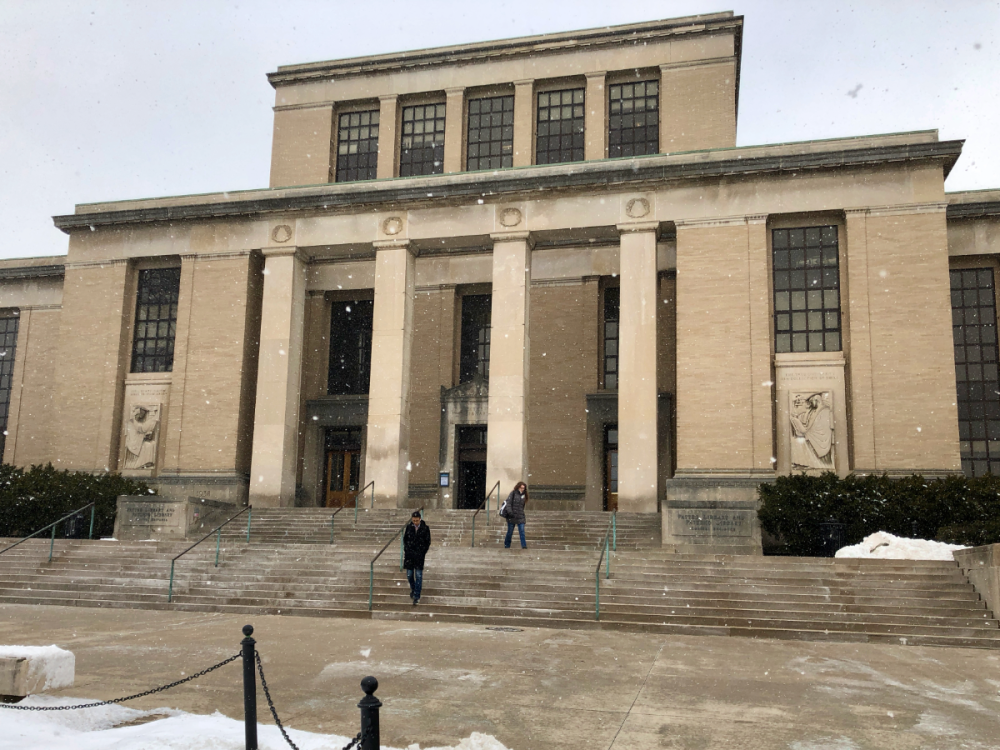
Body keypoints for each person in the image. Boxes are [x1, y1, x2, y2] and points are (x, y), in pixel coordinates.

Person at [402, 510, 431, 605]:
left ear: (420, 519)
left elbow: (427, 542)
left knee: (418, 575)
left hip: (419, 555)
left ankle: (417, 595)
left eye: (416, 520)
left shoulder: (425, 528)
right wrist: (407, 549)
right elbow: (405, 539)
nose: (415, 522)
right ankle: (414, 589)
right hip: (410, 555)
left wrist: (422, 552)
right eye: (413, 520)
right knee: (409, 575)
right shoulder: (409, 528)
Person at [502, 482, 528, 549]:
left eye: (523, 488)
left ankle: (524, 545)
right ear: (518, 487)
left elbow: (522, 506)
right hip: (512, 516)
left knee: (522, 531)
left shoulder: (524, 495)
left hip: (520, 516)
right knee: (510, 532)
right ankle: (507, 545)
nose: (522, 489)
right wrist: (510, 512)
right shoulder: (513, 493)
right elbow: (508, 503)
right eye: (521, 488)